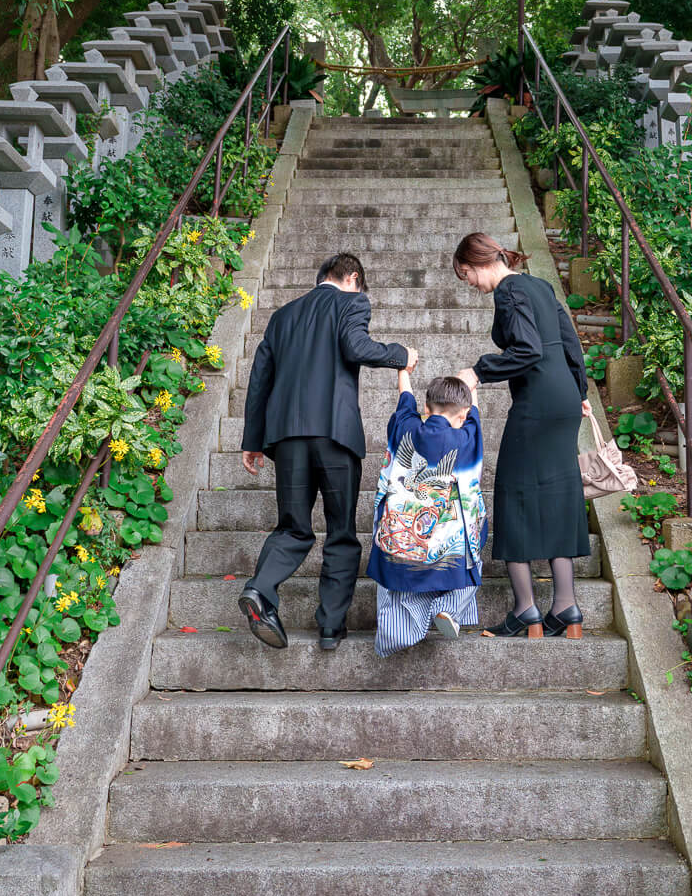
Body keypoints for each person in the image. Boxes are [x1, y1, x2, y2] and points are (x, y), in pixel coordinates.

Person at [237, 253, 417, 650]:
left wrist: (253, 441)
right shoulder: (352, 302)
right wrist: (400, 355)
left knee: (293, 527)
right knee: (340, 532)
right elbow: (356, 347)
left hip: (286, 438)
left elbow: (259, 380)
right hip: (335, 436)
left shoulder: (282, 316)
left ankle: (260, 589)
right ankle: (331, 628)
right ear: (353, 277)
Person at [453, 231, 591, 639]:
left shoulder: (509, 292)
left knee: (513, 493)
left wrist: (478, 371)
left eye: (466, 276)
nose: (472, 286)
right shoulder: (540, 285)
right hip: (564, 398)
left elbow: (527, 350)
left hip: (538, 402)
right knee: (561, 494)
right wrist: (580, 393)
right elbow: (570, 343)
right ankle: (566, 607)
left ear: (476, 263)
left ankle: (526, 609)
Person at [367, 370, 487, 656]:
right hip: (448, 539)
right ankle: (446, 609)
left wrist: (404, 371)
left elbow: (404, 399)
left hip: (401, 537)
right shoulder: (466, 437)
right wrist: (472, 384)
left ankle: (397, 634)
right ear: (463, 414)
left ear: (426, 407)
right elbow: (474, 415)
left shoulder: (406, 427)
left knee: (398, 579)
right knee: (473, 553)